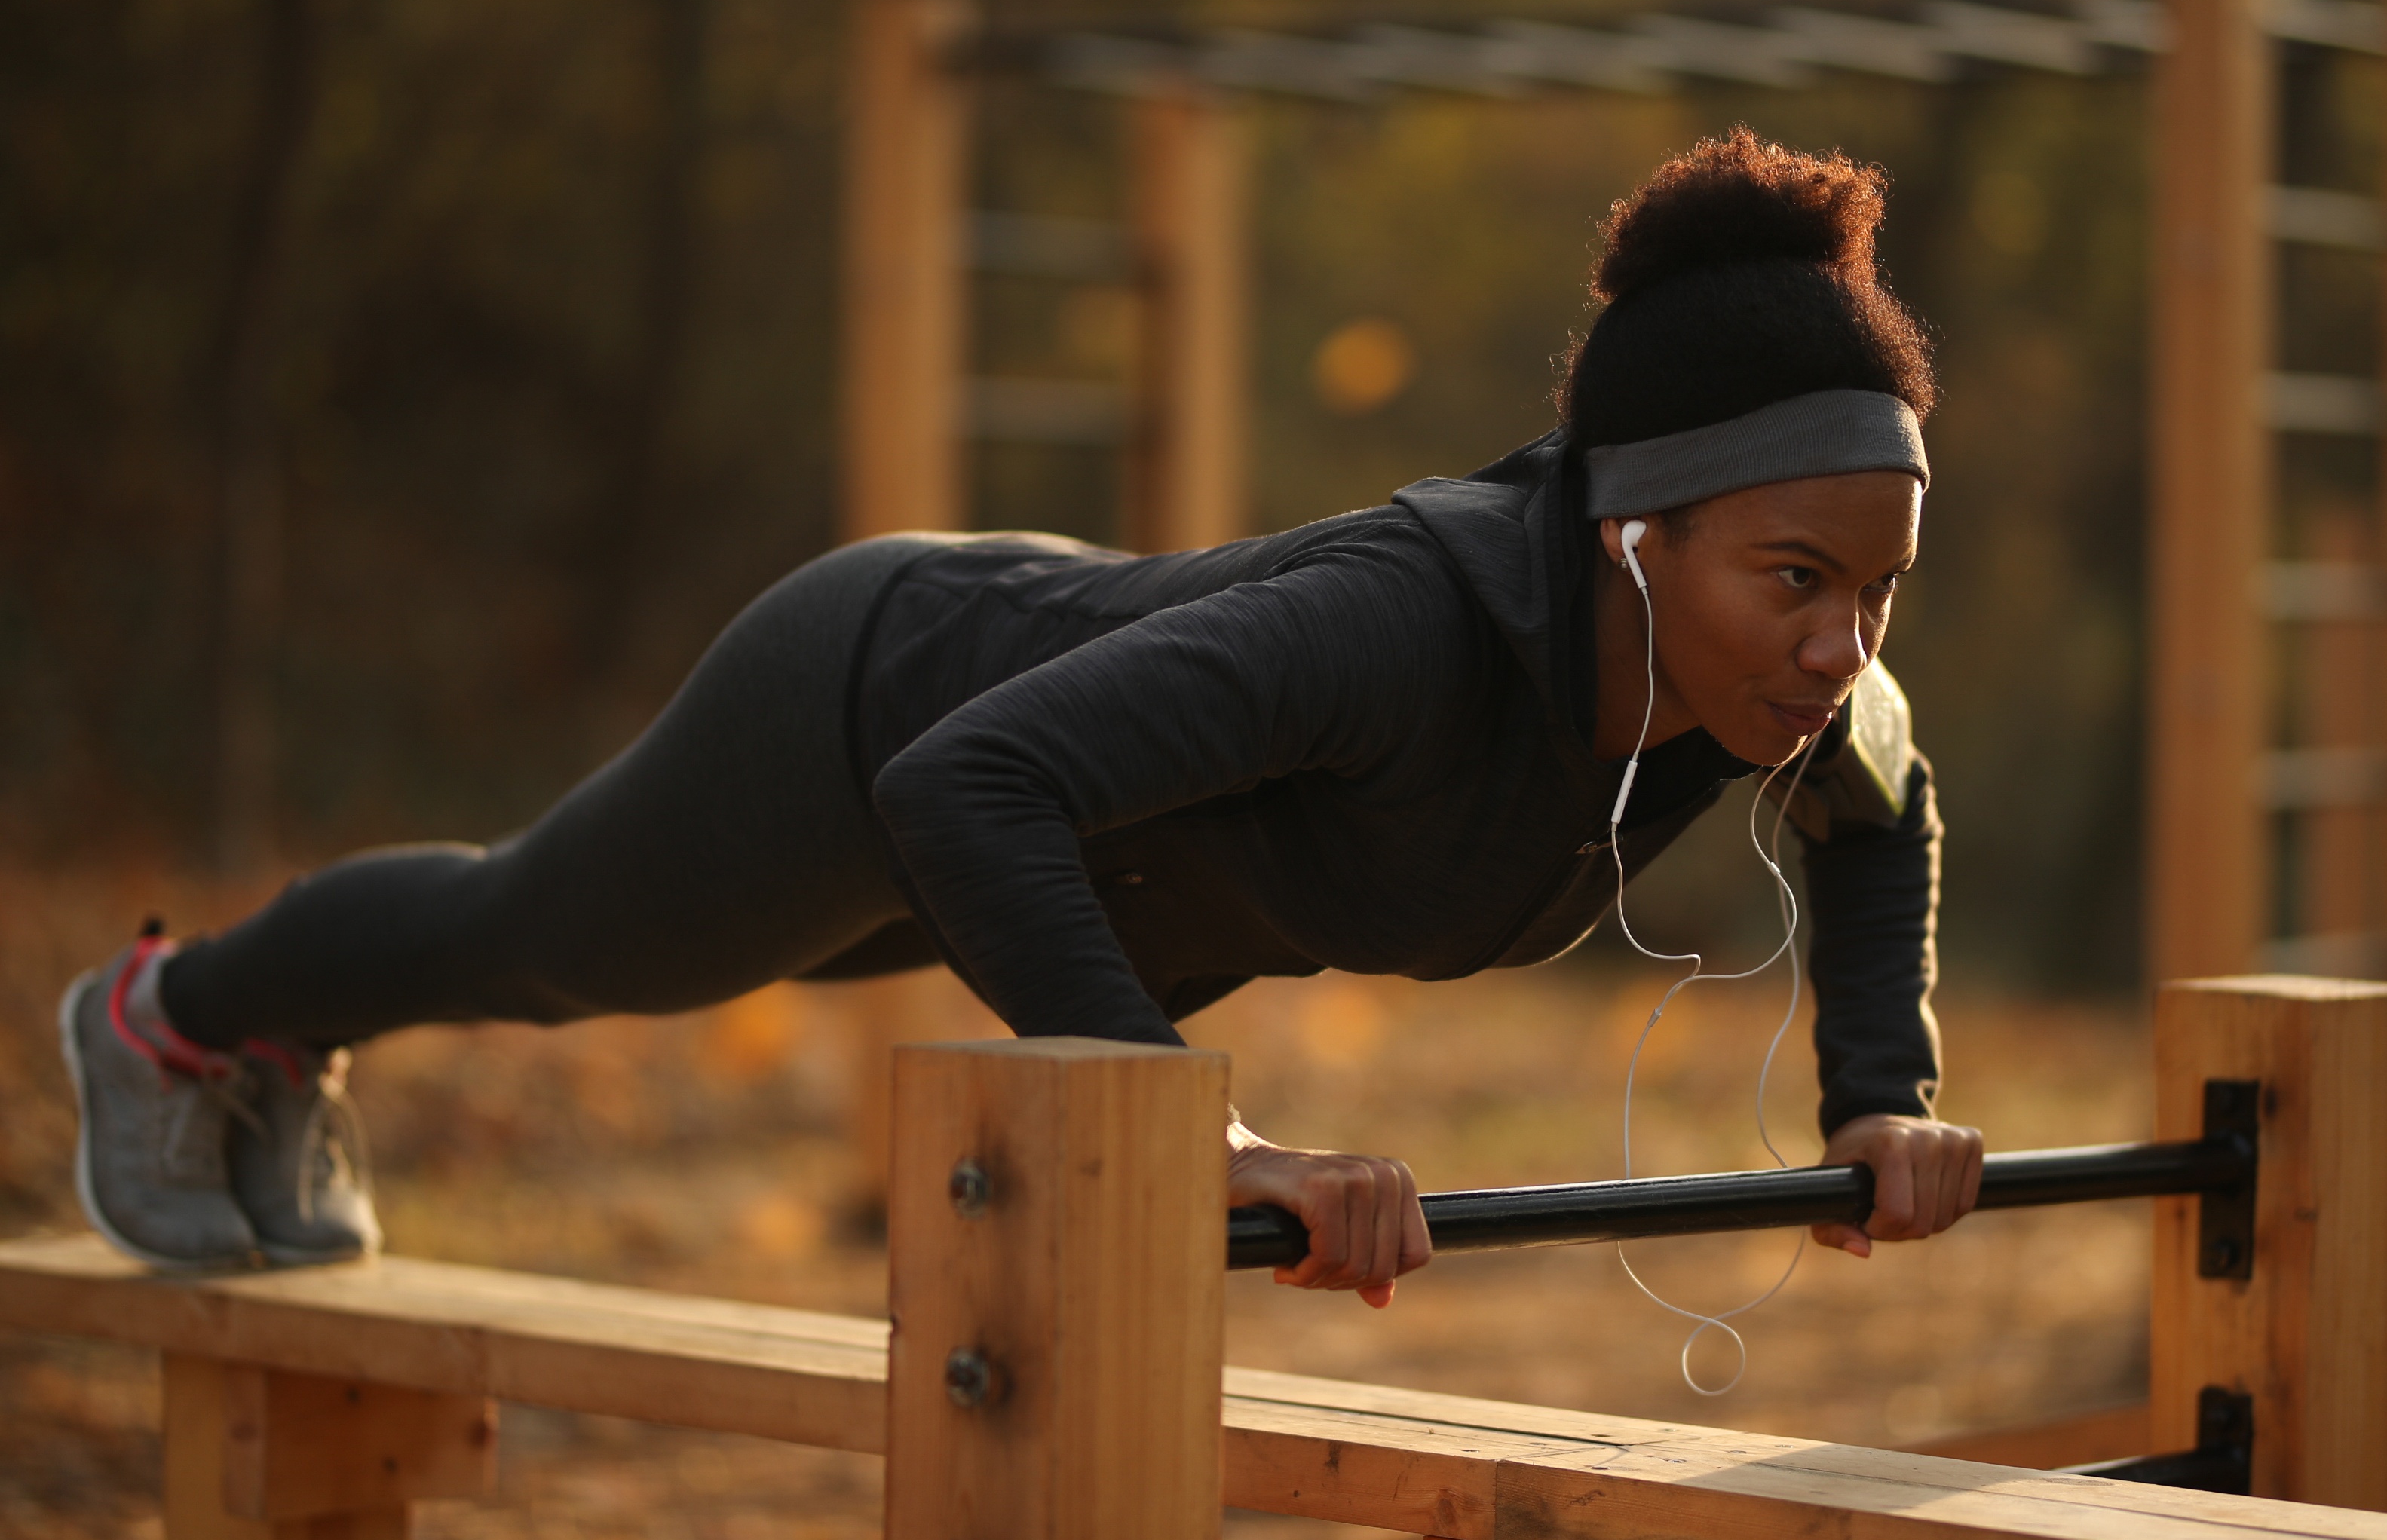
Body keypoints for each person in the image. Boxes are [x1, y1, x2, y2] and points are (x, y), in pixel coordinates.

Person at [60, 126, 1983, 1294]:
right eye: (1795, 581)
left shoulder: (1784, 691)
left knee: (631, 948)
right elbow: (965, 775)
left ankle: (246, 1038)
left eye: (1875, 589)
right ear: (1630, 528)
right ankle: (175, 1020)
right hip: (879, 704)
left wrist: (1879, 1090)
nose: (1840, 647)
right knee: (545, 942)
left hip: (1058, 854)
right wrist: (1195, 1142)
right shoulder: (1395, 628)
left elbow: (1884, 811)